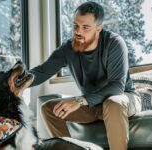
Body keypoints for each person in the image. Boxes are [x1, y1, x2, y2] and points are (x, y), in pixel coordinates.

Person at [29, 1, 141, 150]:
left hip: (123, 98)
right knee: (49, 108)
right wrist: (17, 81)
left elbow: (116, 87)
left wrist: (80, 100)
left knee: (112, 103)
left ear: (98, 28)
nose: (78, 32)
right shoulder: (68, 49)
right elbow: (42, 71)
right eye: (75, 26)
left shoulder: (114, 43)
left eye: (85, 27)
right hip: (93, 104)